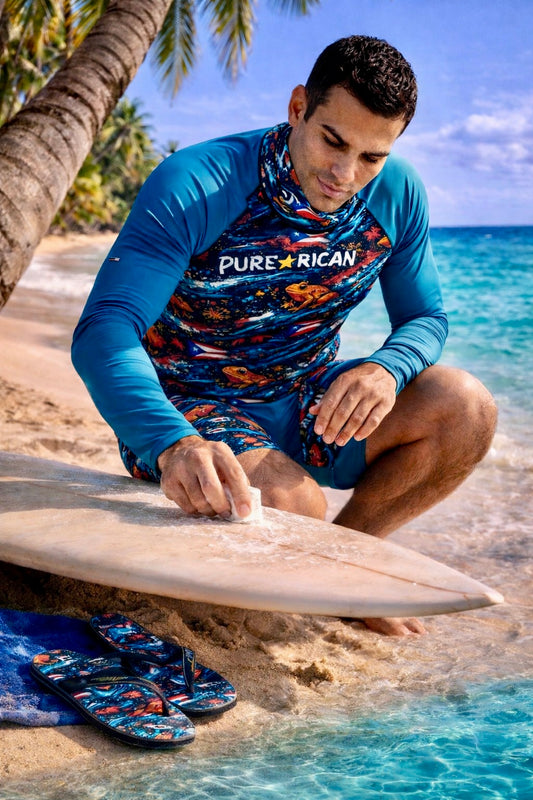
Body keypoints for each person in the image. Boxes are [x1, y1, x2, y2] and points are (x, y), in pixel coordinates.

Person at [72, 35, 497, 636]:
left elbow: (427, 319)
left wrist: (387, 367)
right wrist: (171, 443)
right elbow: (104, 330)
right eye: (333, 141)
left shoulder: (397, 194)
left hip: (309, 402)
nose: (346, 174)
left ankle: (345, 566)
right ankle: (316, 561)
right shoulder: (201, 181)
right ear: (299, 107)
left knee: (467, 409)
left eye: (373, 156)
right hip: (191, 412)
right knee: (297, 502)